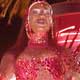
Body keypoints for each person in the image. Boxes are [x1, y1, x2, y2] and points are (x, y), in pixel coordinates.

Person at [15, 1, 64, 80]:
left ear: (51, 21)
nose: (41, 15)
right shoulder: (13, 56)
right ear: (28, 20)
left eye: (46, 12)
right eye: (35, 12)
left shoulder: (63, 53)